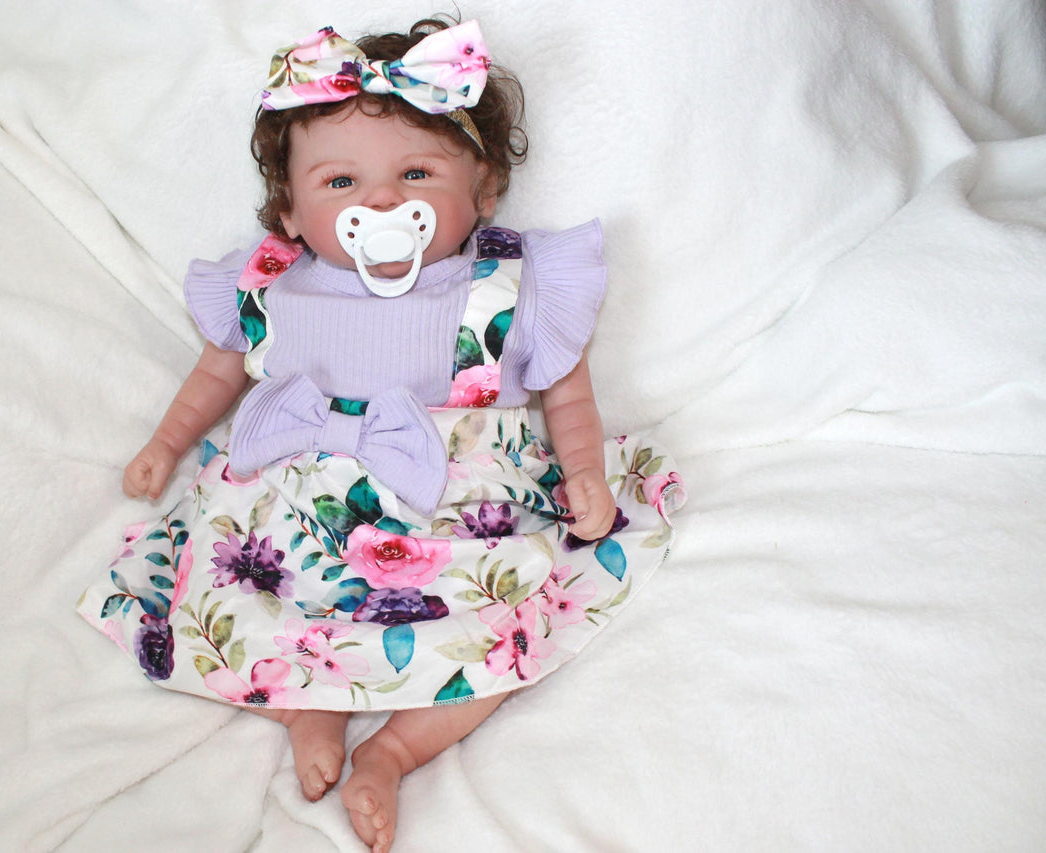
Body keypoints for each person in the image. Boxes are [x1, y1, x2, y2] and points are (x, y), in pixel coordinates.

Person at [77, 16, 684, 852]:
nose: (383, 202)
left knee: (512, 628)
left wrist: (583, 470)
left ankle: (395, 751)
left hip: (459, 518)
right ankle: (309, 706)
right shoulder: (274, 283)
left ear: (483, 192)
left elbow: (567, 393)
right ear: (289, 213)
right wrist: (165, 443)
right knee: (236, 599)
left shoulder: (512, 284)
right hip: (295, 514)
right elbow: (218, 372)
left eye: (416, 172)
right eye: (340, 181)